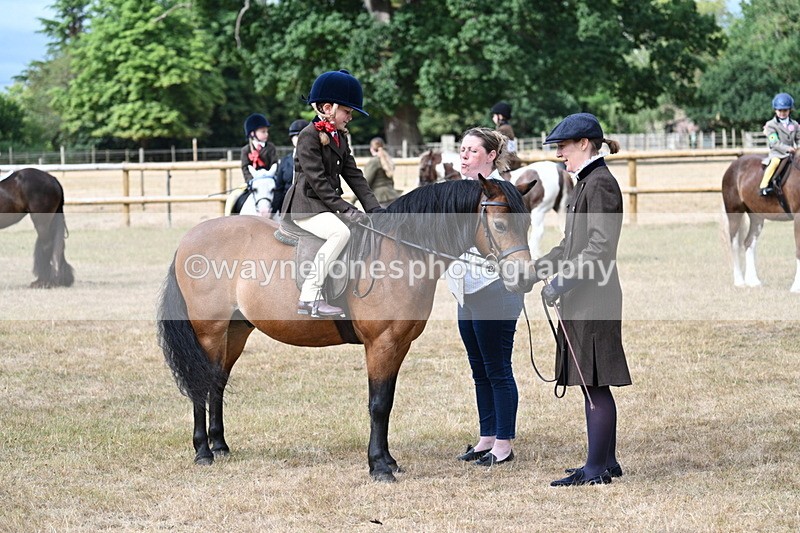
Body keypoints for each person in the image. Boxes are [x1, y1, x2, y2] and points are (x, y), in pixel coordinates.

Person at [533, 113, 631, 486]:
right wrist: (534, 270)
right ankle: (605, 461)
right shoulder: (585, 183)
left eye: (563, 147)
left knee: (594, 382)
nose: (560, 155)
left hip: (596, 296)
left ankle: (596, 469)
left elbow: (599, 249)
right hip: (584, 295)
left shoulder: (601, 184)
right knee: (593, 382)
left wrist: (561, 282)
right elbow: (569, 246)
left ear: (585, 144)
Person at [447, 127, 523, 467]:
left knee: (497, 368)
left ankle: (504, 444)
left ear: (491, 155)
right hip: (467, 290)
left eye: (472, 150)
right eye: (462, 150)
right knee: (479, 368)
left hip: (496, 290)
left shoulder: (503, 194)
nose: (464, 155)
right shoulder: (458, 190)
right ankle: (487, 437)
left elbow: (511, 244)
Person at [280, 69, 383, 318]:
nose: (350, 117)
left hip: (325, 205)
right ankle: (310, 296)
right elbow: (317, 182)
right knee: (340, 232)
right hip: (306, 206)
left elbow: (354, 175)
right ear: (328, 108)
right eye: (347, 112)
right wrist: (346, 209)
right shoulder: (308, 137)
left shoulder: (339, 137)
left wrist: (375, 209)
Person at [759, 92, 800, 196]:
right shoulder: (770, 125)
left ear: (790, 110)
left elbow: (798, 138)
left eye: (785, 110)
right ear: (775, 110)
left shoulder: (794, 124)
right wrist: (787, 148)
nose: (782, 113)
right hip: (777, 153)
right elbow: (774, 142)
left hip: (792, 154)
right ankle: (764, 186)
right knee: (774, 163)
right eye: (780, 110)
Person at [272, 119, 309, 216]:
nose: (299, 139)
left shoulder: (315, 159)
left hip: (308, 206)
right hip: (287, 206)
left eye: (302, 136)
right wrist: (274, 212)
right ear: (292, 139)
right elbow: (279, 188)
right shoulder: (285, 161)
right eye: (296, 136)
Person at [363, 137, 402, 207]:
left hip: (380, 198)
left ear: (371, 148)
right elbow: (391, 181)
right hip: (393, 195)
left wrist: (354, 199)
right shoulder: (388, 159)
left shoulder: (374, 161)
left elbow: (366, 182)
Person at [240, 113, 278, 184]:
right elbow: (245, 168)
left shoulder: (271, 147)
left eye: (267, 131)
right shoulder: (245, 150)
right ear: (252, 133)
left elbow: (275, 164)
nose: (266, 134)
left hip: (269, 181)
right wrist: (250, 181)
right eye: (263, 132)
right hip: (253, 182)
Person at [491, 101, 522, 178]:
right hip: (511, 159)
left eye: (494, 115)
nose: (493, 118)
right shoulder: (507, 127)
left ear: (500, 116)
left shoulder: (502, 129)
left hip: (506, 162)